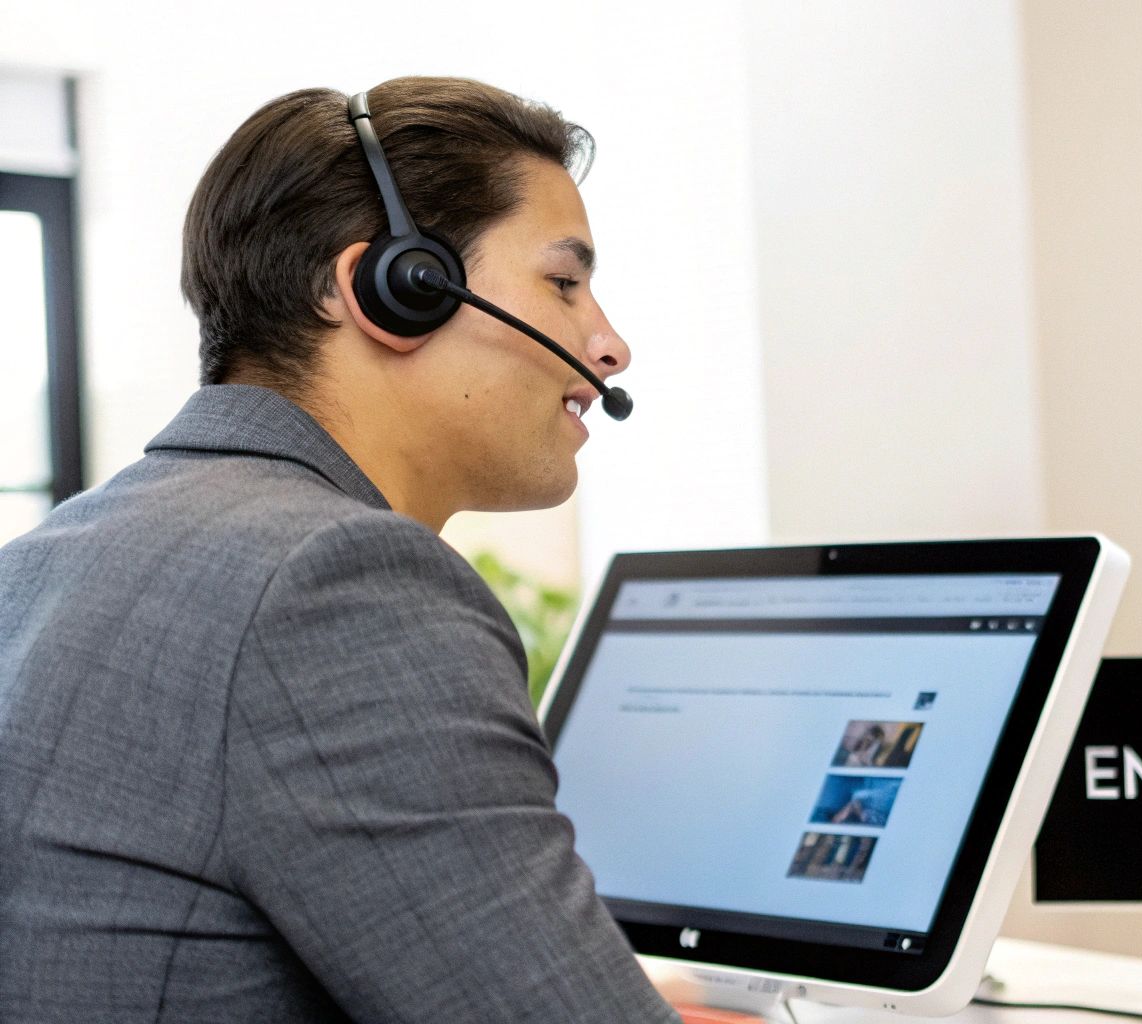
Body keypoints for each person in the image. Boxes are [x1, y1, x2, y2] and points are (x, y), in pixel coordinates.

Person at [0, 77, 679, 1024]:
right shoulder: (341, 587)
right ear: (396, 289)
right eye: (563, 284)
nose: (609, 346)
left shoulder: (41, 560)